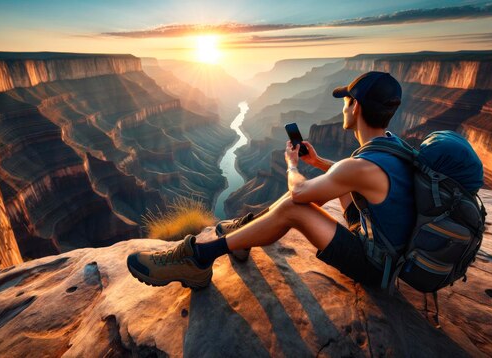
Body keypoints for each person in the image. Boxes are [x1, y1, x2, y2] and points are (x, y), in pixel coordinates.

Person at [126, 71, 415, 289]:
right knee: (325, 184)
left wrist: (292, 165)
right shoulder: (391, 147)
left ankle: (199, 257)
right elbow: (352, 177)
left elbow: (302, 192)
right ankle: (247, 232)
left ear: (357, 108)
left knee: (294, 205)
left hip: (378, 268)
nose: (343, 107)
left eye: (346, 101)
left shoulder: (361, 166)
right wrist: (316, 163)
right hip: (387, 246)